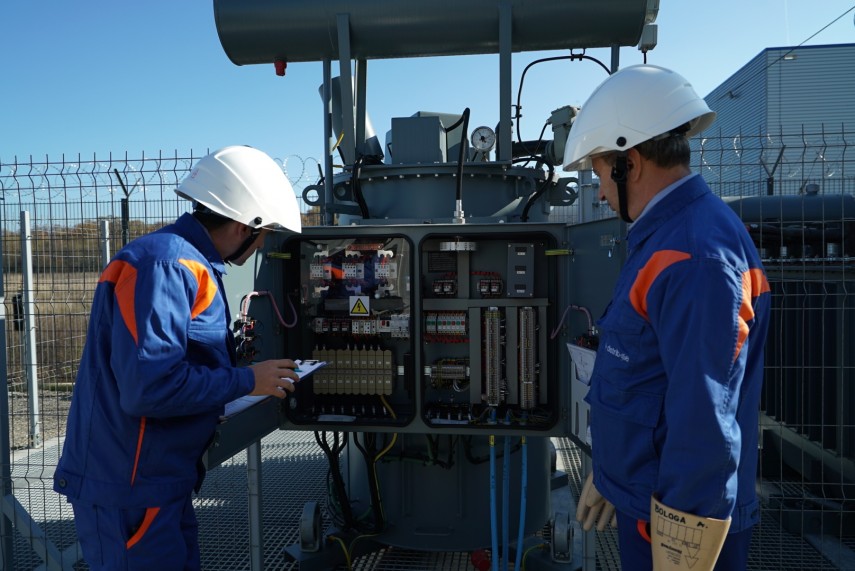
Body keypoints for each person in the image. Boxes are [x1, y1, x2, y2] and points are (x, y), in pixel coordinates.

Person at [54, 145, 304, 570]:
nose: (263, 244)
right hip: (131, 488)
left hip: (158, 481)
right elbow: (149, 388)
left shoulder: (187, 262)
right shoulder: (167, 266)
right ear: (245, 225)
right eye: (264, 234)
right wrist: (248, 381)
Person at [563, 65, 771, 570]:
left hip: (676, 525)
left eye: (600, 175)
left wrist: (682, 553)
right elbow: (647, 377)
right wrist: (612, 475)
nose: (601, 193)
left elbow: (703, 423)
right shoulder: (670, 238)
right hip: (647, 501)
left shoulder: (694, 255)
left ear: (629, 163)